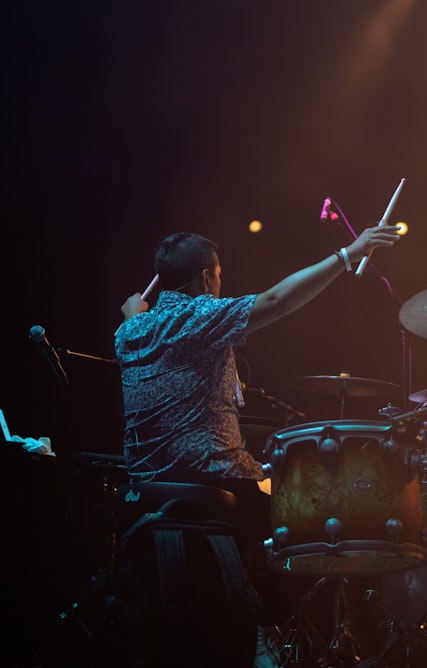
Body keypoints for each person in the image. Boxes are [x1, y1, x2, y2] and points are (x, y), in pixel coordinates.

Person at [113, 225, 400, 665]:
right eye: (220, 276)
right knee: (322, 521)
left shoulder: (129, 331)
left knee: (276, 491)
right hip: (209, 475)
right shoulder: (199, 317)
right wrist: (349, 253)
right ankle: (267, 626)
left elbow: (136, 321)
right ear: (205, 280)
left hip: (146, 484)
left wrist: (135, 311)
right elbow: (277, 300)